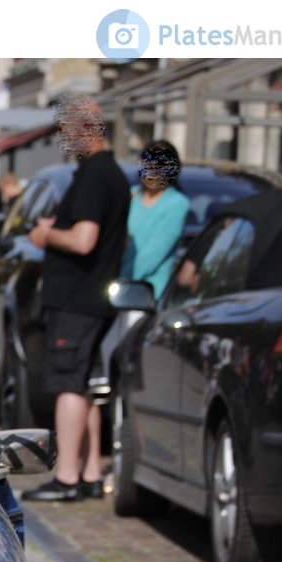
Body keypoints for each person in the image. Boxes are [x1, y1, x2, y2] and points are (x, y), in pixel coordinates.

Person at [22, 95, 129, 503]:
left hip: (77, 299)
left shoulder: (94, 177)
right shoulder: (110, 174)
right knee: (84, 386)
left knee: (68, 384)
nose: (63, 140)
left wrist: (46, 233)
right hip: (91, 298)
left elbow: (84, 240)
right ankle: (87, 472)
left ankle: (66, 477)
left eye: (66, 131)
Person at [95, 141, 191, 389]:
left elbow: (153, 254)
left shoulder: (177, 204)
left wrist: (118, 278)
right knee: (107, 350)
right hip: (116, 289)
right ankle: (111, 401)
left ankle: (123, 401)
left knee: (126, 353)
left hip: (144, 294)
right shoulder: (132, 196)